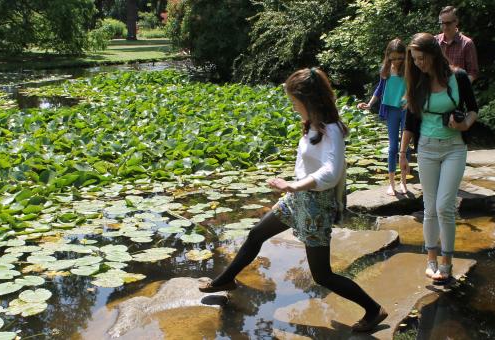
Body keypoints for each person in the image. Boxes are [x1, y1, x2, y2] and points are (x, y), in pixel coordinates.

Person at [199, 67, 388, 332]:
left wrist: (294, 184)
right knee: (256, 234)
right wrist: (293, 186)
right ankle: (224, 280)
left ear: (308, 100)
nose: (293, 106)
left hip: (315, 205)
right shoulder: (313, 124)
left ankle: (373, 309)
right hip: (297, 199)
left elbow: (330, 173)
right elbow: (308, 164)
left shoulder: (331, 130)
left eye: (294, 101)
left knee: (322, 276)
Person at [400, 33, 478, 282]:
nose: (418, 63)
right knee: (429, 208)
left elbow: (473, 108)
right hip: (426, 149)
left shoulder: (459, 77)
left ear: (434, 54)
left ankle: (447, 262)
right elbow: (410, 121)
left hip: (454, 148)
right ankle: (431, 260)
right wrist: (402, 153)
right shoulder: (417, 81)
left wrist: (465, 124)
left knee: (444, 206)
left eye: (422, 58)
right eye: (414, 59)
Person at [357, 38, 410, 196]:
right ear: (388, 56)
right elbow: (379, 89)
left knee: (405, 147)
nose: (396, 61)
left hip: (406, 110)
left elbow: (413, 87)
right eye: (393, 58)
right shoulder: (386, 70)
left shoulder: (409, 69)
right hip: (391, 111)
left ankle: (404, 182)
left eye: (400, 58)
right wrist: (369, 104)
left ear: (404, 56)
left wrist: (408, 100)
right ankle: (392, 183)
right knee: (393, 146)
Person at [435, 6, 479, 82]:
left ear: (456, 22)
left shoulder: (467, 43)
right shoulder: (434, 41)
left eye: (448, 23)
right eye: (442, 23)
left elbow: (473, 72)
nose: (445, 27)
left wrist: (461, 87)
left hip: (459, 89)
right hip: (438, 89)